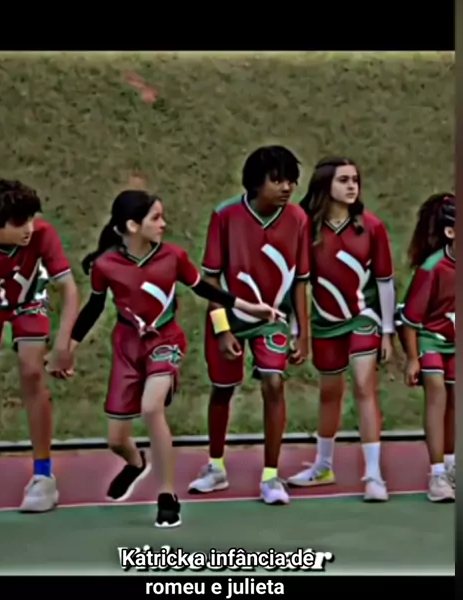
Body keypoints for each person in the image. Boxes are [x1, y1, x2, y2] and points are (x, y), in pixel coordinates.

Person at [62, 189, 282, 528]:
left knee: (152, 407)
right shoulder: (105, 265)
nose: (164, 223)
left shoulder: (173, 257)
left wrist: (250, 307)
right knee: (116, 440)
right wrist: (69, 347)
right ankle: (135, 463)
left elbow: (205, 288)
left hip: (165, 341)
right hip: (127, 347)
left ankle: (166, 495)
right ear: (132, 226)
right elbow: (94, 307)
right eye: (156, 218)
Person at [188, 145, 311, 505]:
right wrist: (222, 329)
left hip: (271, 320)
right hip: (229, 316)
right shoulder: (225, 215)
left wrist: (303, 333)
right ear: (257, 183)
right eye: (277, 180)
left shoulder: (298, 220)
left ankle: (271, 477)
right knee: (222, 389)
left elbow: (301, 281)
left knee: (274, 383)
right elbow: (210, 279)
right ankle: (215, 467)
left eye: (291, 180)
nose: (287, 187)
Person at [286, 157, 395, 502]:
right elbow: (298, 283)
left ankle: (374, 474)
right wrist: (297, 329)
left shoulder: (371, 227)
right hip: (324, 322)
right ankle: (323, 466)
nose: (352, 186)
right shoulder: (307, 229)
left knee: (364, 386)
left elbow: (385, 280)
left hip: (365, 318)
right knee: (329, 392)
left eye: (355, 180)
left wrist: (387, 330)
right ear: (325, 185)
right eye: (343, 180)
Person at [0, 179, 79, 512]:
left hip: (28, 300)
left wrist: (63, 346)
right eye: (19, 223)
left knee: (31, 373)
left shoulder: (42, 234)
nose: (29, 228)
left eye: (30, 219)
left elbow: (70, 290)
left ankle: (43, 476)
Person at [397, 193, 455, 502]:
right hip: (430, 339)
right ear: (451, 232)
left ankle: (452, 466)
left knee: (456, 399)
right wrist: (411, 359)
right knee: (437, 391)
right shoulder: (432, 268)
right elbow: (409, 321)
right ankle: (437, 474)